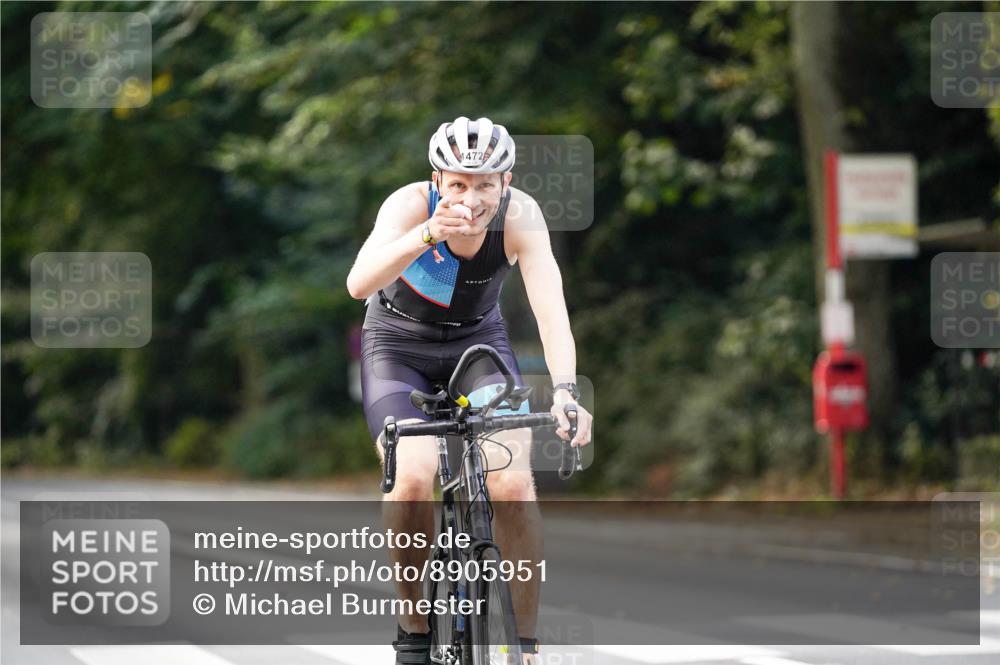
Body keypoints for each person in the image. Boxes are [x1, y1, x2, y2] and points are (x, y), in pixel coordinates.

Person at [346, 116, 594, 664]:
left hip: (477, 349)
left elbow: (551, 312)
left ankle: (524, 645)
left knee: (511, 483)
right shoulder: (408, 206)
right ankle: (413, 631)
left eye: (485, 185)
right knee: (410, 479)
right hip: (397, 349)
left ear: (506, 183)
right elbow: (358, 283)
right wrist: (428, 232)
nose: (472, 198)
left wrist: (565, 391)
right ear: (437, 180)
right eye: (458, 184)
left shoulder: (521, 217)